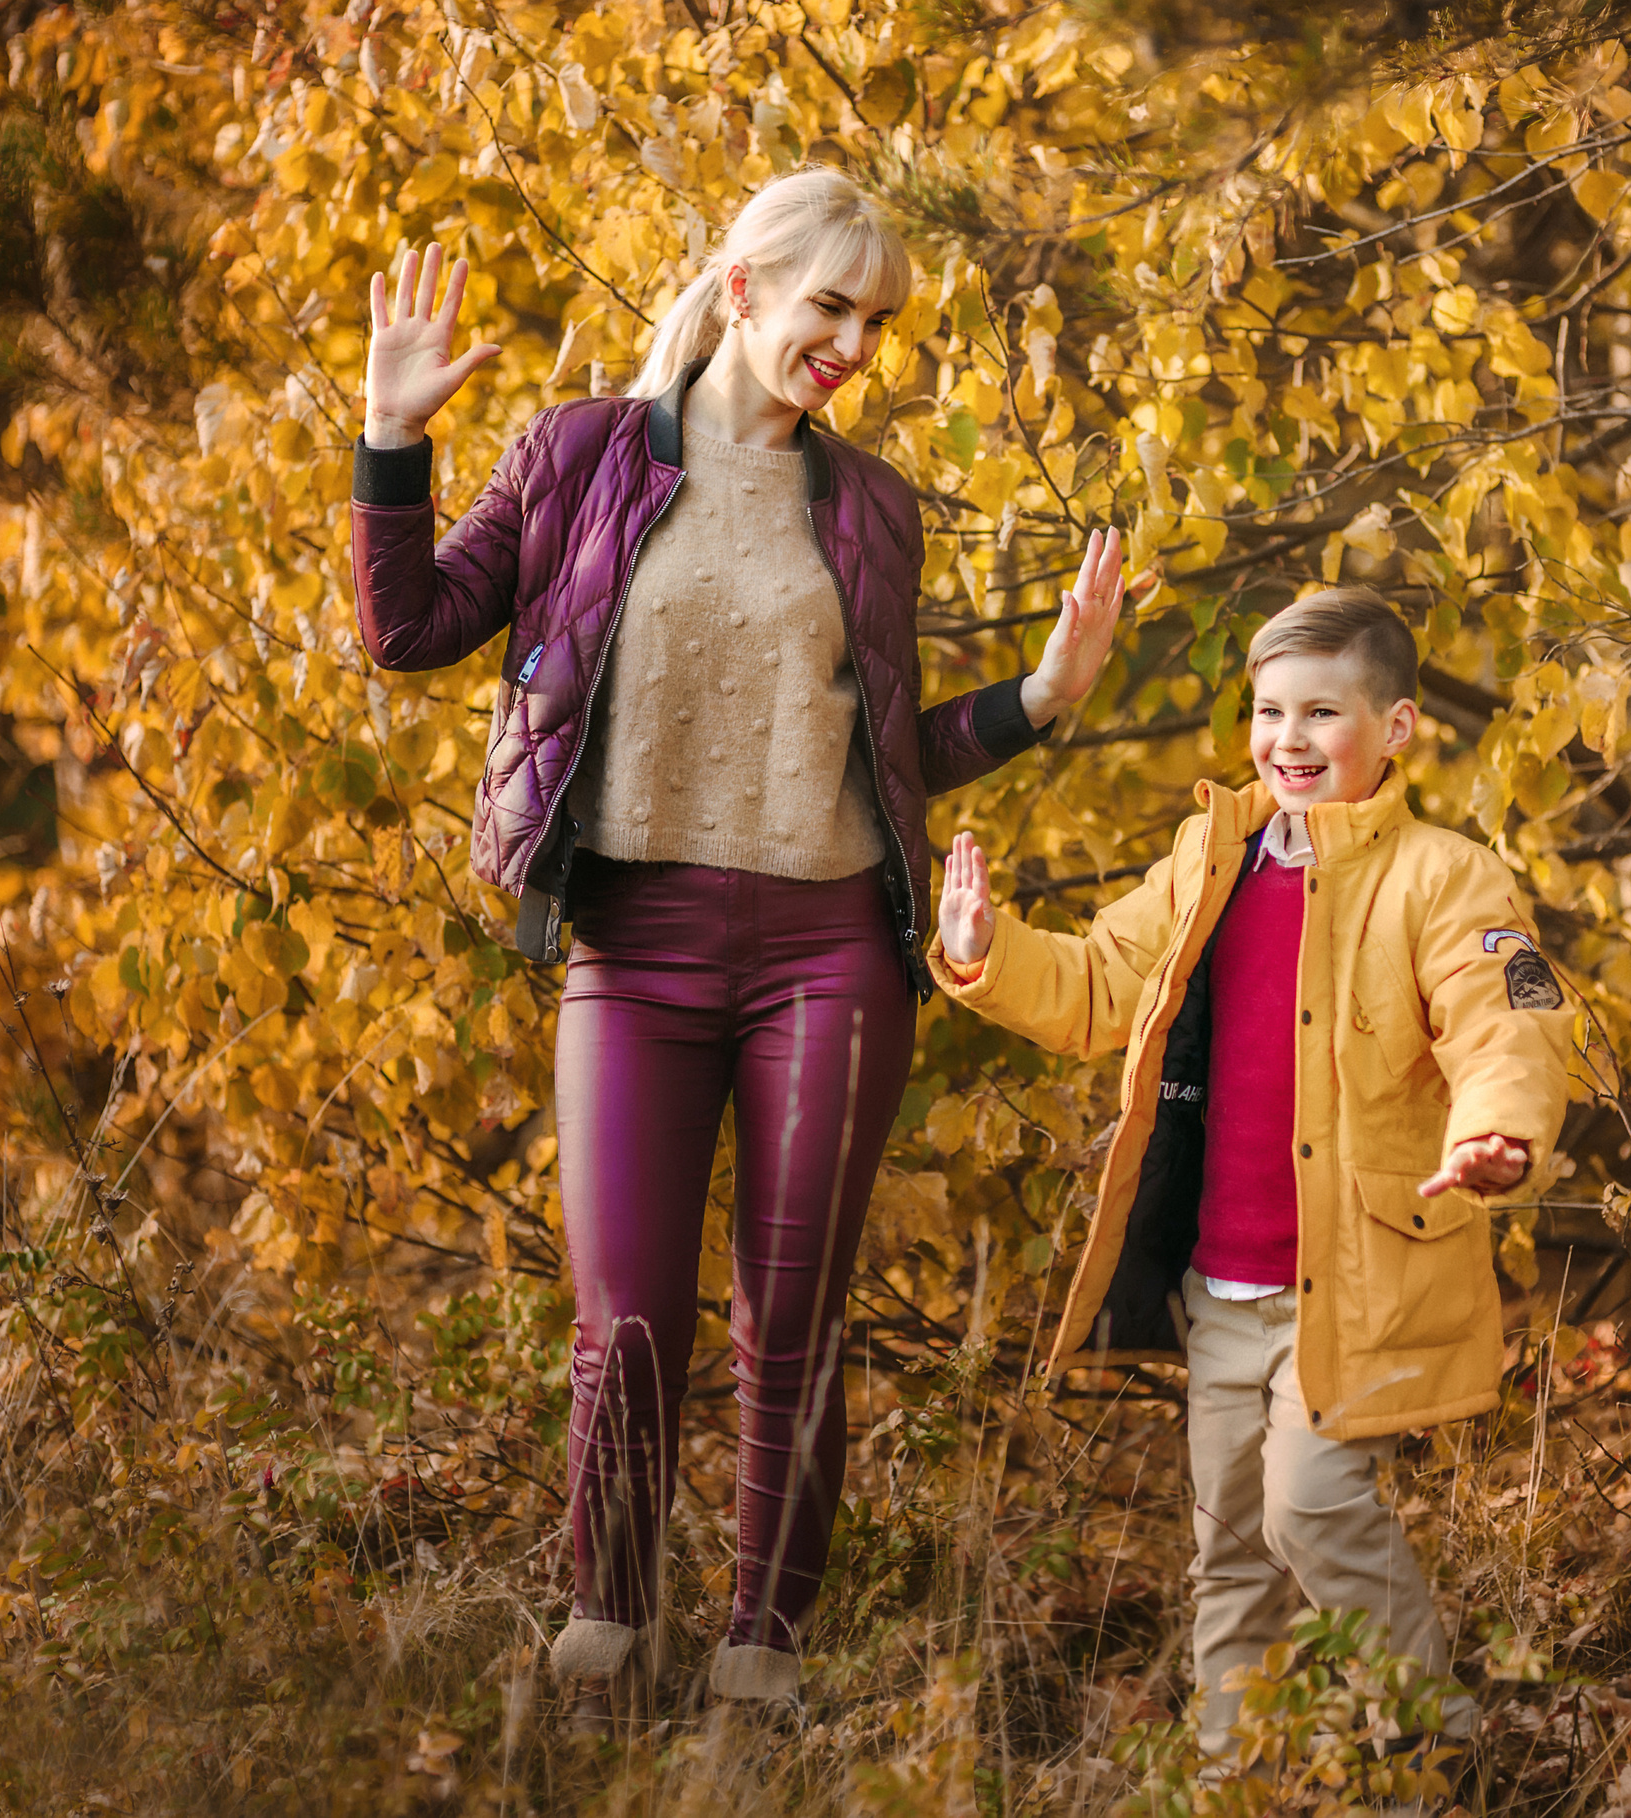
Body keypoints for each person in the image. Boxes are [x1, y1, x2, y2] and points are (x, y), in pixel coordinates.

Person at [348, 167, 1126, 1713]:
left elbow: (886, 754)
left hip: (828, 951)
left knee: (793, 1326)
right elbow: (409, 630)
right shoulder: (578, 455)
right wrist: (391, 439)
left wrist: (1042, 698)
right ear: (744, 285)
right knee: (627, 1323)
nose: (854, 346)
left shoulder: (873, 505)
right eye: (832, 306)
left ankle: (762, 1660)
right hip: (631, 948)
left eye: (877, 321)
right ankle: (607, 1627)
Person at [932, 586, 1572, 1765]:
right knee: (1229, 1550)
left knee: (1310, 1508)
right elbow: (1100, 985)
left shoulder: (1443, 878)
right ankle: (1235, 1770)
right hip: (1220, 1287)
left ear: (1395, 726)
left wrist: (1496, 1134)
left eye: (1322, 713)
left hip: (1357, 1281)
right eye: (1270, 711)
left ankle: (1435, 1747)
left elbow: (1508, 1024)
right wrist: (986, 954)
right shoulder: (1208, 860)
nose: (1288, 739)